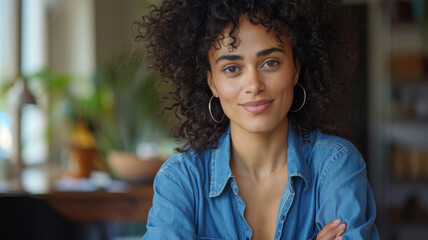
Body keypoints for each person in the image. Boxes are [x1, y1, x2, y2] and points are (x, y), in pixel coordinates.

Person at [135, 0, 380, 239]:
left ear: (295, 69)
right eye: (232, 68)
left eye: (270, 63)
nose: (253, 85)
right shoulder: (181, 179)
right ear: (212, 83)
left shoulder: (336, 166)